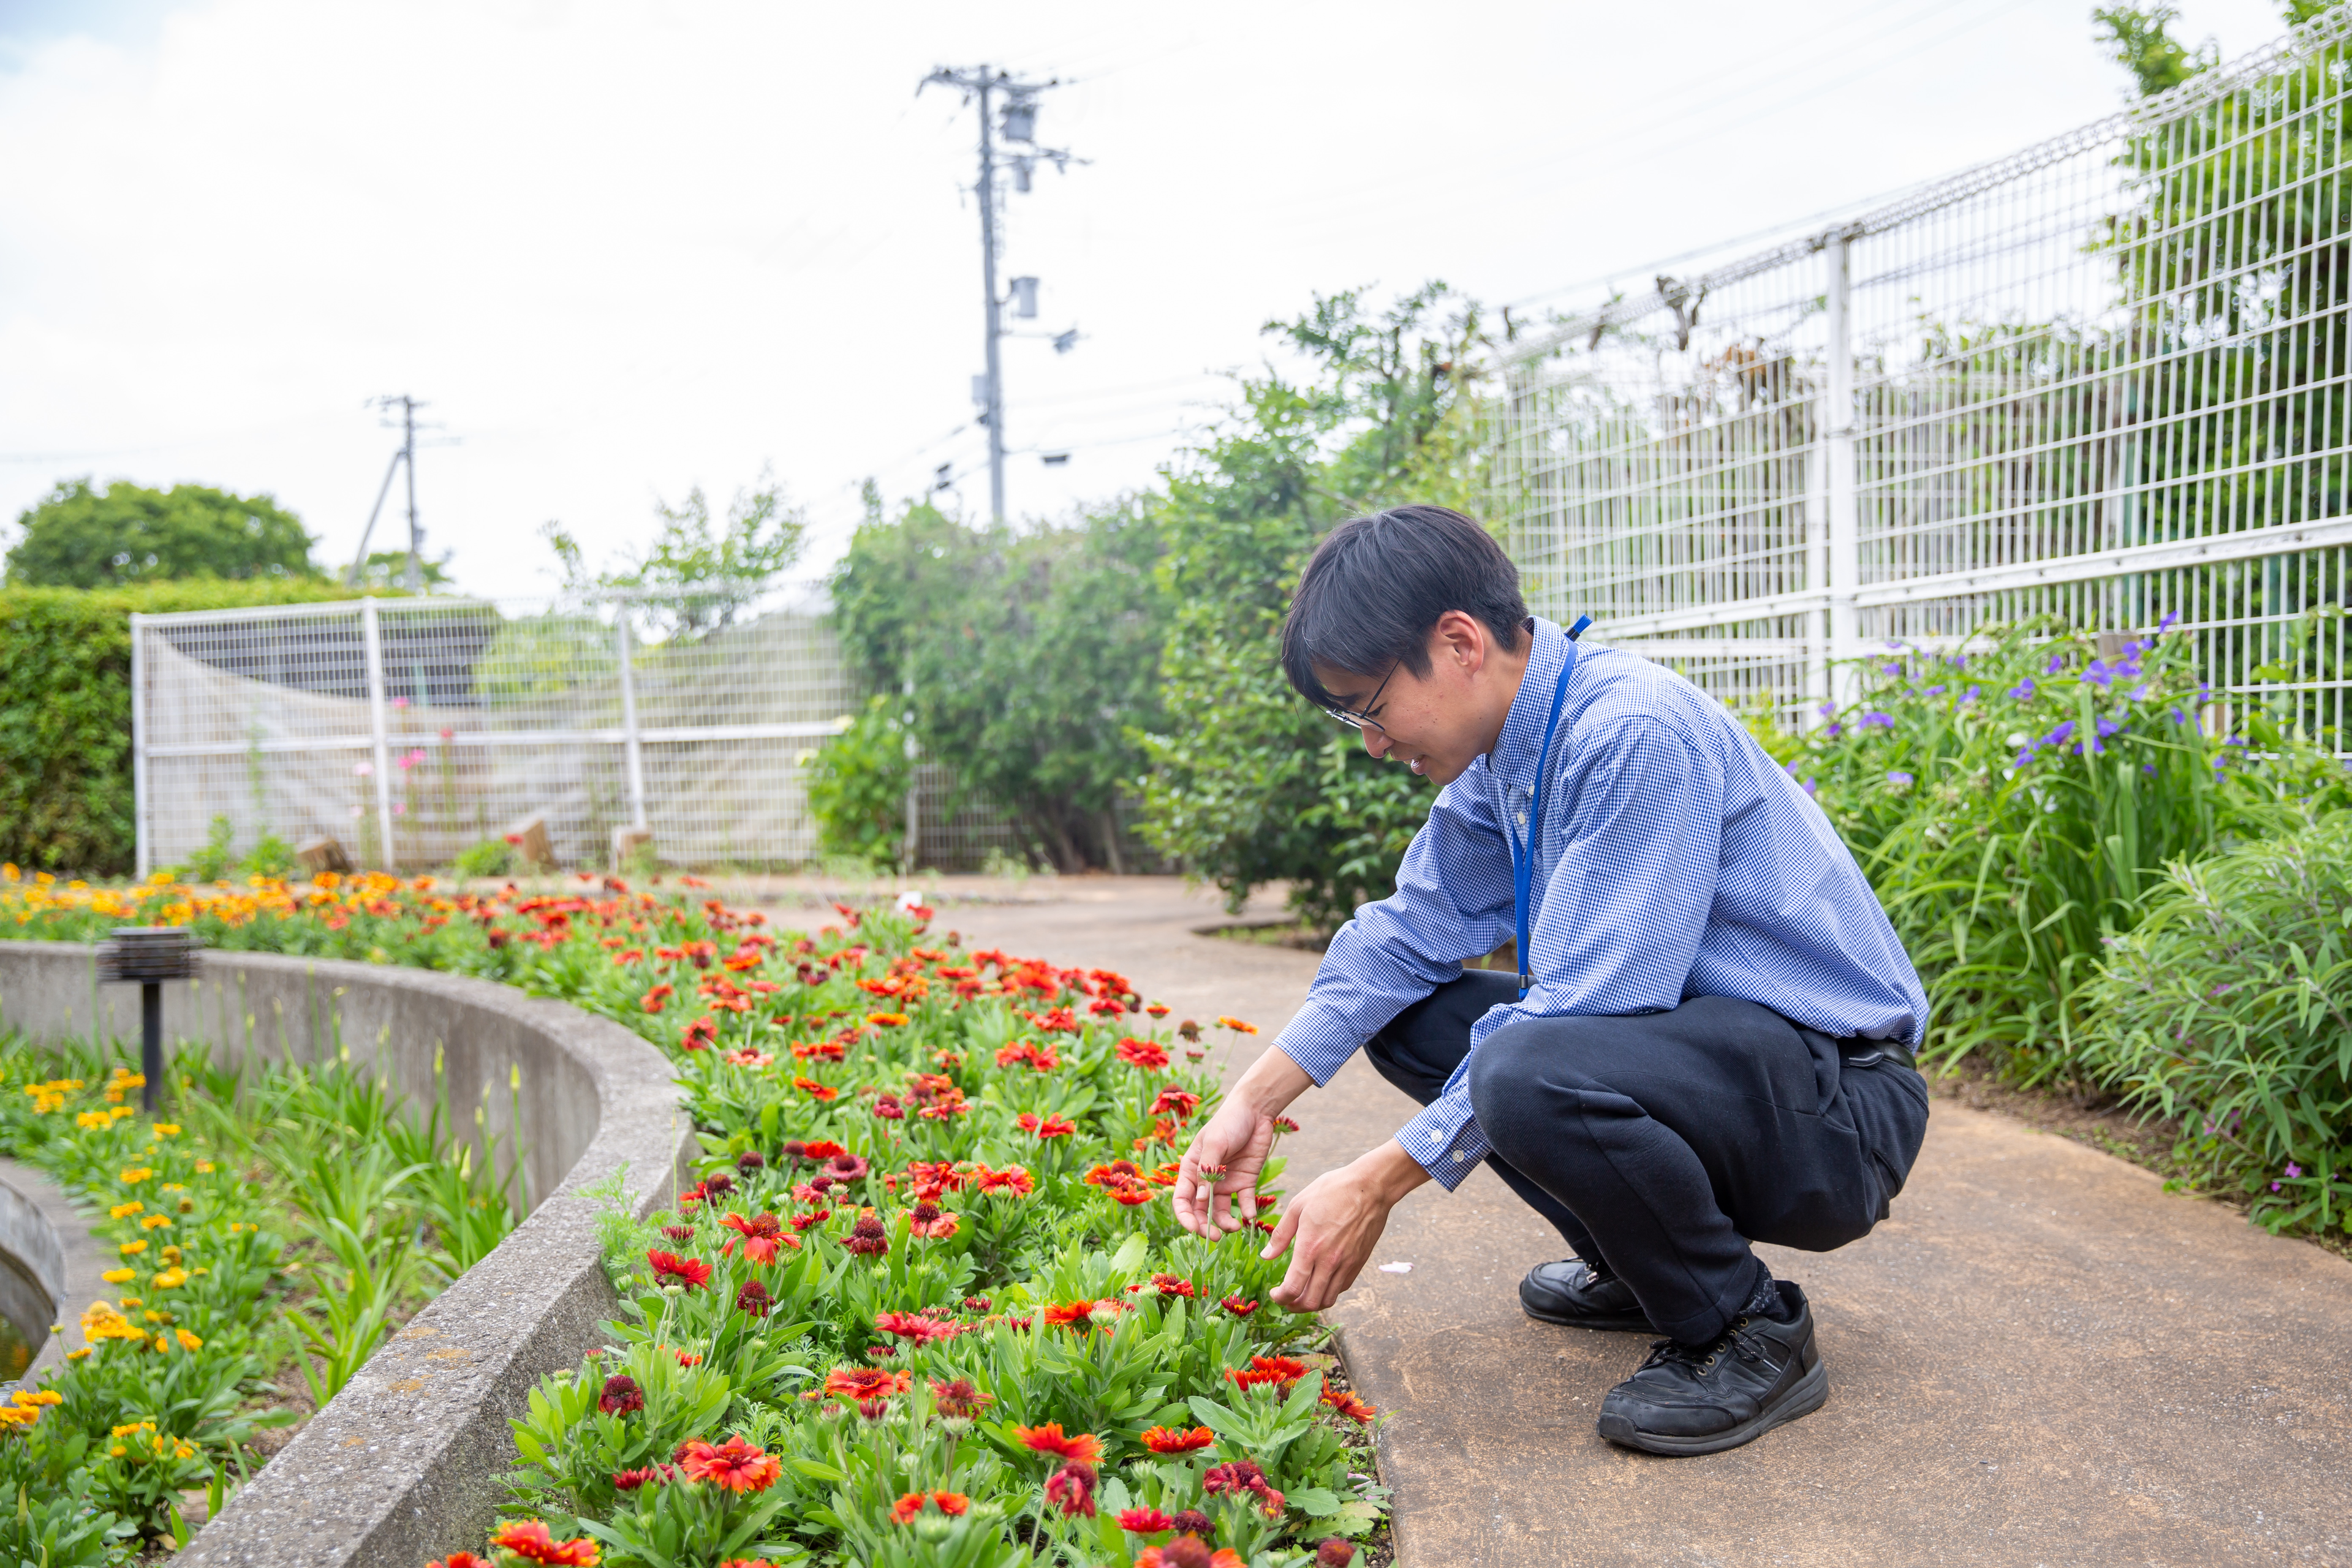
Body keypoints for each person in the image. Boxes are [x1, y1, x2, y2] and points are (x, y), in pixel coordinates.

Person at [1170, 504, 1930, 1457]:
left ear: (1457, 644)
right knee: (1417, 1021)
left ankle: (1744, 1327)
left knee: (1525, 1068)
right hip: (1738, 1070)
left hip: (1836, 1111)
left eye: (1370, 706)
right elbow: (1405, 935)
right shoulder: (1508, 757)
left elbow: (1586, 1006)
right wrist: (1255, 1099)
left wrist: (1373, 1184)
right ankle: (1642, 1264)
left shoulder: (1632, 734)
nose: (1370, 742)